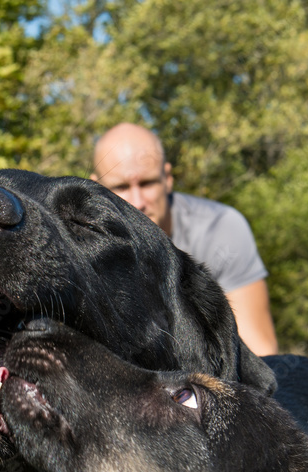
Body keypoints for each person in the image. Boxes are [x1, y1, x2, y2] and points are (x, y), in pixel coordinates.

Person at [91, 123, 279, 355]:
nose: (138, 201)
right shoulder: (83, 246)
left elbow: (261, 351)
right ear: (97, 188)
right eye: (121, 187)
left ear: (168, 178)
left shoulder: (220, 228)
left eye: (148, 183)